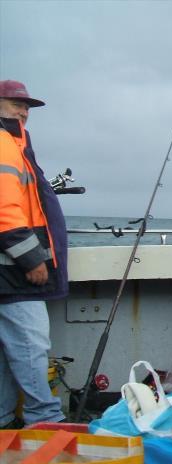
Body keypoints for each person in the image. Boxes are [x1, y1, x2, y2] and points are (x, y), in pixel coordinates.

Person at [0, 80, 68, 429]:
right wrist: (32, 258)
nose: (24, 112)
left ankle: (3, 423)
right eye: (15, 104)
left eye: (26, 106)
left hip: (8, 268)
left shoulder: (15, 142)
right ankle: (45, 420)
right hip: (12, 271)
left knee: (7, 351)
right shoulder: (3, 144)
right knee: (30, 345)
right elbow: (4, 210)